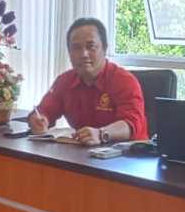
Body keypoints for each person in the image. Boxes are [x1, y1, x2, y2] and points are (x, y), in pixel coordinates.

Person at [28, 18, 148, 146]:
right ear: (69, 53)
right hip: (85, 153)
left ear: (105, 48)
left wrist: (101, 134)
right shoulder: (64, 81)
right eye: (76, 48)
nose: (84, 54)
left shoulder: (124, 81)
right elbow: (44, 110)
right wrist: (38, 121)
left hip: (130, 154)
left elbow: (130, 125)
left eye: (91, 46)